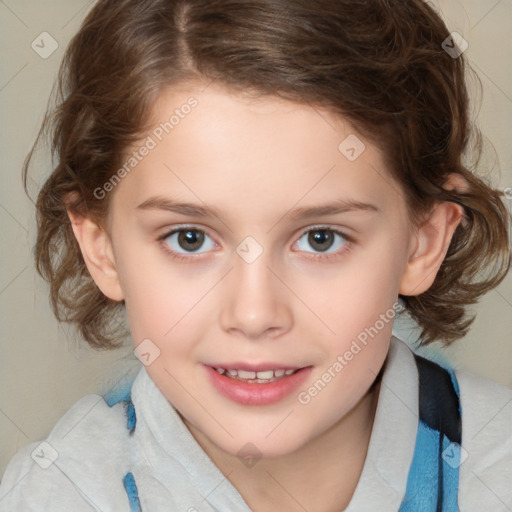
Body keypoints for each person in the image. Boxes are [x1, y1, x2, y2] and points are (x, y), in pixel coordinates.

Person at [0, 0, 510, 510]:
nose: (254, 314)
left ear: (422, 241)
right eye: (189, 239)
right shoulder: (57, 494)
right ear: (102, 247)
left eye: (321, 239)